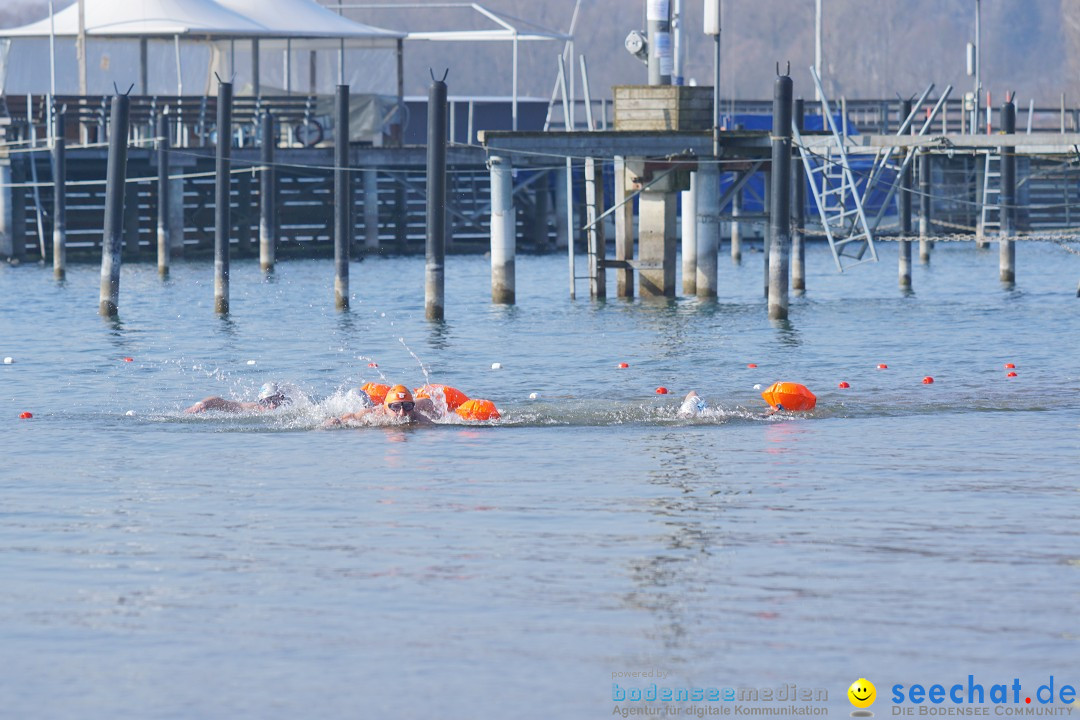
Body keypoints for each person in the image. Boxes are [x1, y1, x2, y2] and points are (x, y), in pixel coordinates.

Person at [325, 384, 437, 426]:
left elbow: (428, 404)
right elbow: (353, 417)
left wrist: (435, 414)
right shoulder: (376, 414)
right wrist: (337, 420)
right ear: (386, 407)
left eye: (407, 406)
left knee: (426, 402)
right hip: (374, 403)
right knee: (355, 393)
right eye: (396, 407)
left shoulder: (414, 414)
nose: (402, 413)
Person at [185, 382, 292, 414]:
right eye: (266, 402)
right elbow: (222, 403)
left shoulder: (292, 407)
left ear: (281, 398)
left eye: (275, 400)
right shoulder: (255, 408)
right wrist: (202, 403)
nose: (272, 405)